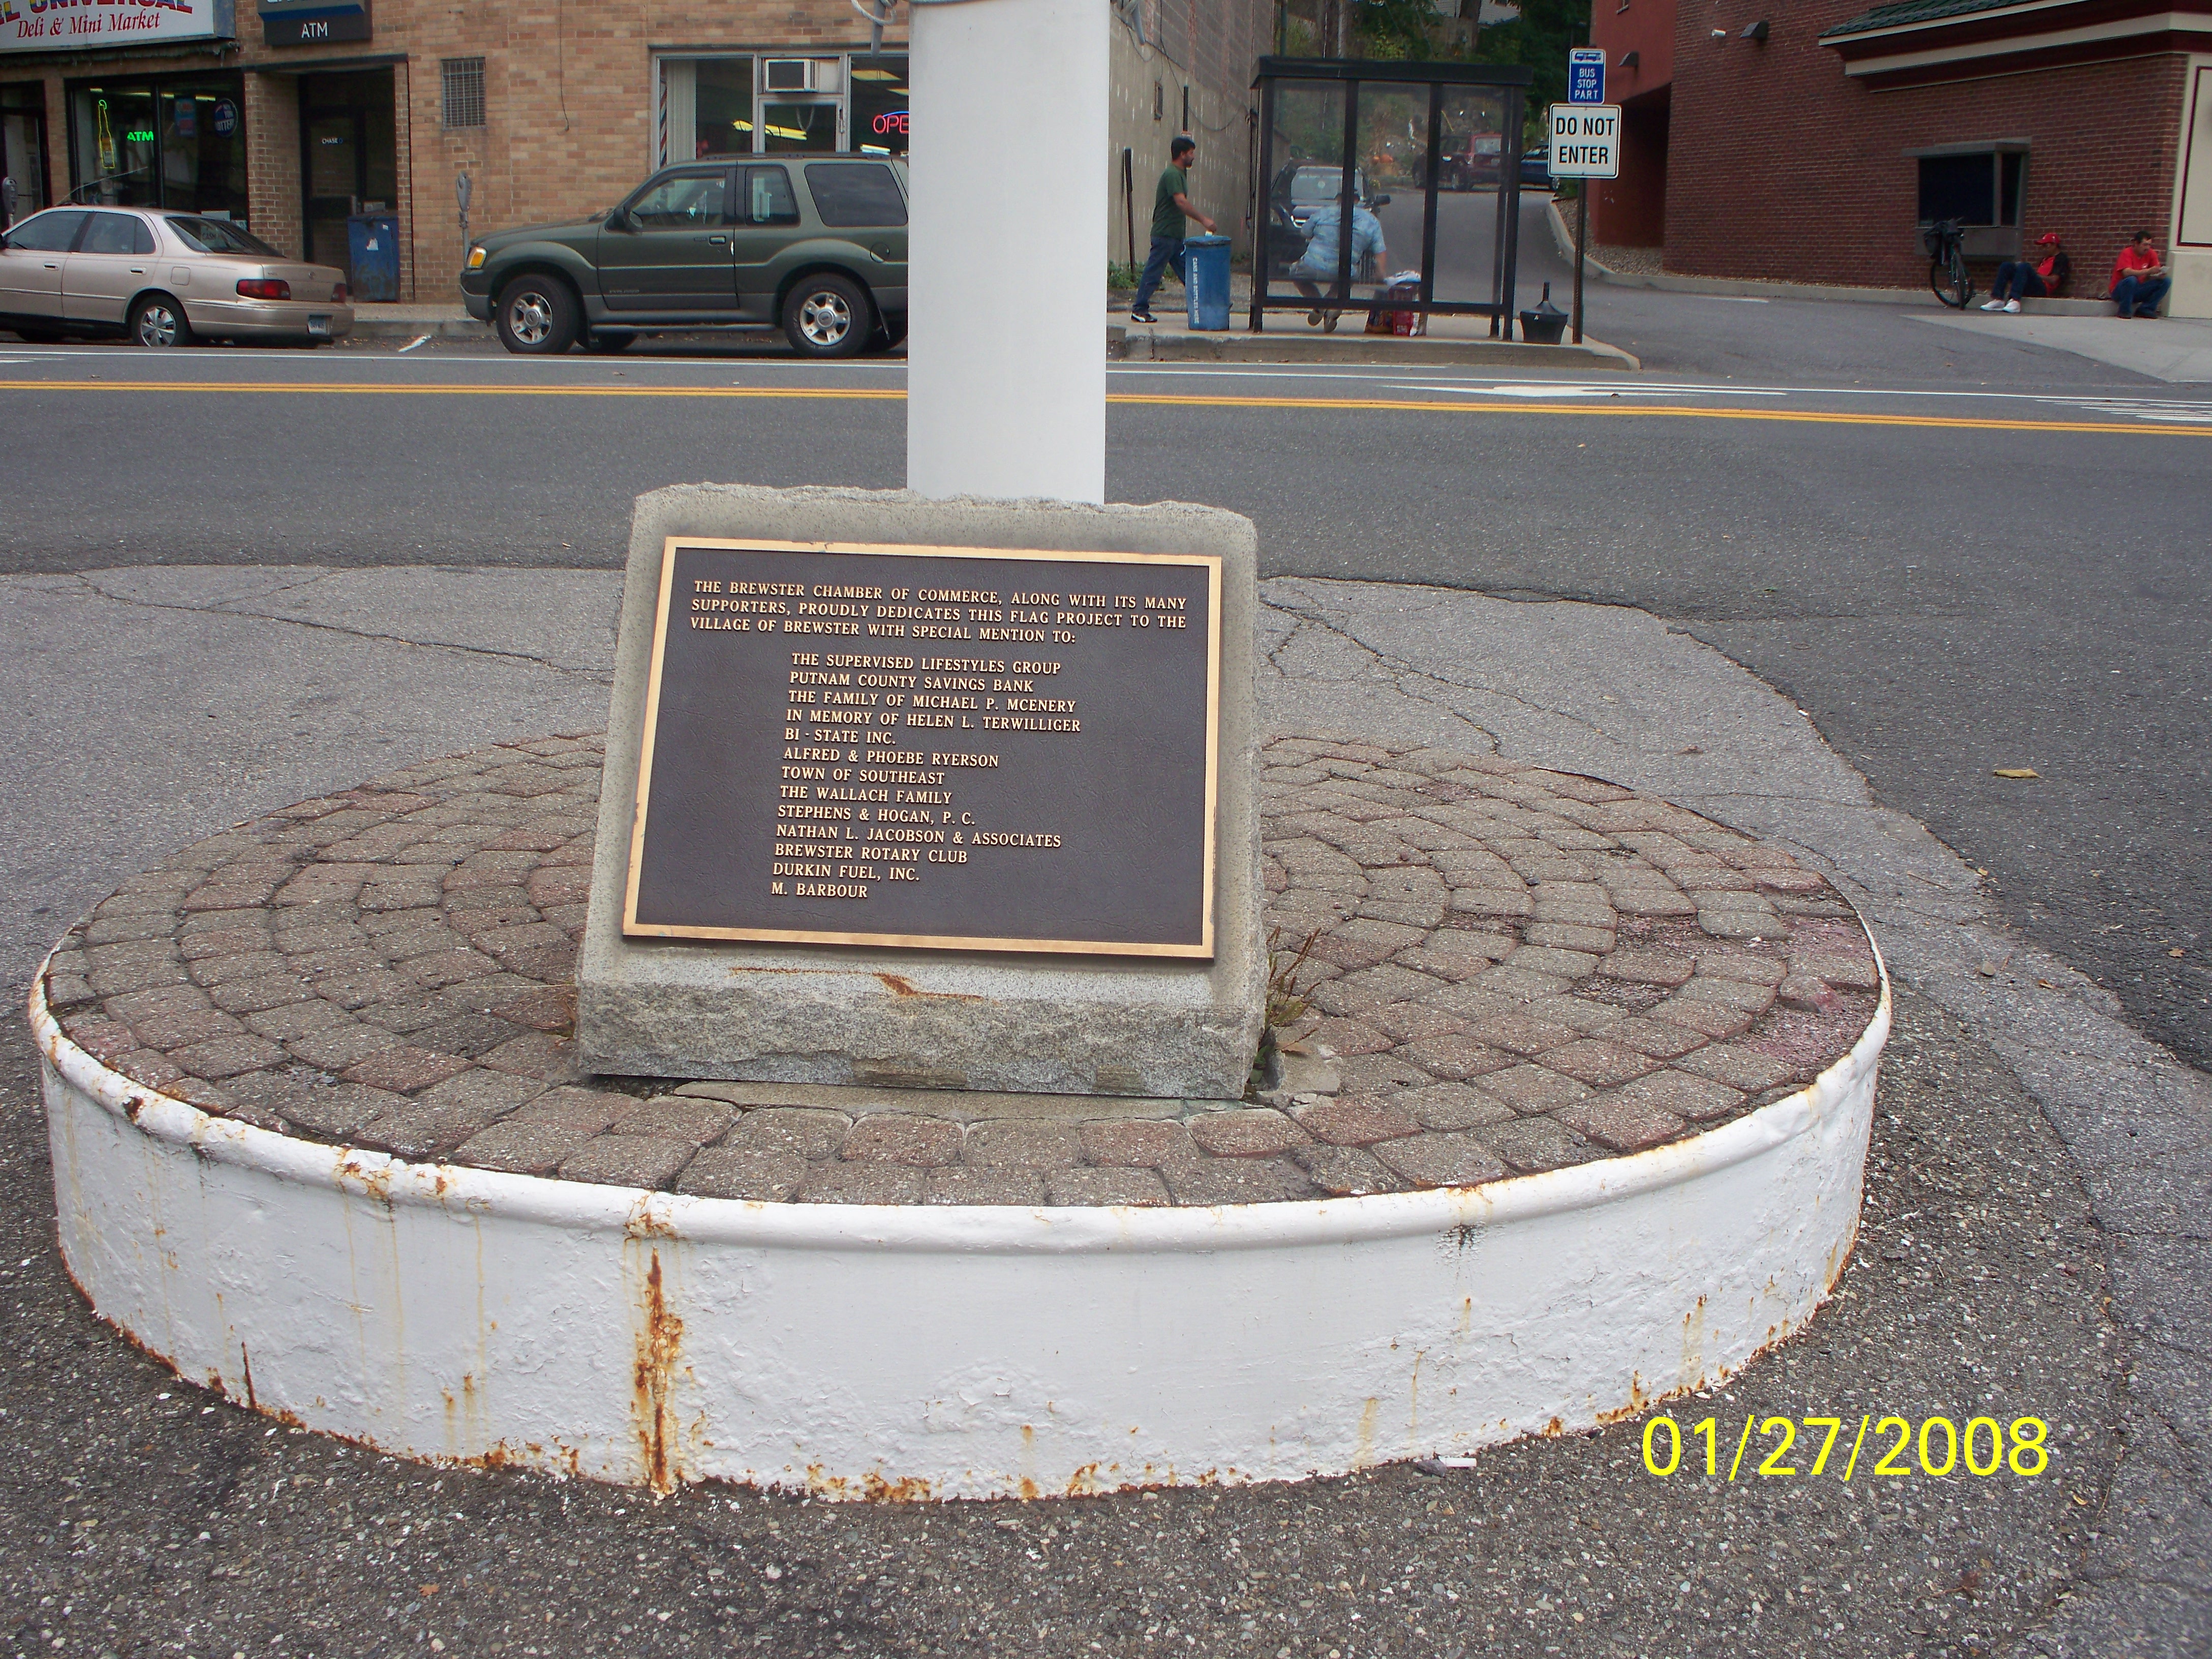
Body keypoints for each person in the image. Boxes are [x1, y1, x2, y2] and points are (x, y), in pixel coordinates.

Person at [1129, 135, 1214, 325]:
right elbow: (1181, 202)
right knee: (1154, 272)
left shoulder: (1180, 174)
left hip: (1175, 238)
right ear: (1182, 154)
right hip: (1165, 235)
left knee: (1190, 273)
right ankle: (1139, 309)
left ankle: (1209, 303)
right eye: (1191, 153)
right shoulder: (1172, 175)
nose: (1194, 157)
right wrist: (1204, 220)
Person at [1288, 191, 1387, 331]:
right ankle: (1332, 303)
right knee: (1347, 277)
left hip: (1312, 265)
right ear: (1357, 201)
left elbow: (1305, 232)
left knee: (1296, 273)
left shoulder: (1323, 213)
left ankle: (1319, 304)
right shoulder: (1372, 221)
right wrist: (1381, 275)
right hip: (1345, 271)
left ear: (1338, 199)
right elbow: (1380, 251)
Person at [1980, 232, 2069, 313]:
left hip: (2043, 289)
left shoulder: (2061, 259)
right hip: (2033, 285)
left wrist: (2037, 276)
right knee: (2006, 266)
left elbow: (2054, 280)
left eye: (2046, 246)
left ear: (2054, 245)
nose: (2043, 249)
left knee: (2025, 266)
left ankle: (2015, 300)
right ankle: (1998, 299)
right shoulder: (2045, 259)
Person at [2108, 229, 2170, 319]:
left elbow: (2155, 271)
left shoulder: (2151, 254)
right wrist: (2148, 271)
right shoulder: (2127, 253)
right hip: (2120, 291)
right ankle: (2124, 310)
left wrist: (2160, 275)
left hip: (2137, 289)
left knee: (2166, 281)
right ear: (2136, 244)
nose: (2148, 248)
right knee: (2131, 279)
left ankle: (2146, 309)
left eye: (2149, 245)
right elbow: (2126, 273)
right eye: (2145, 245)